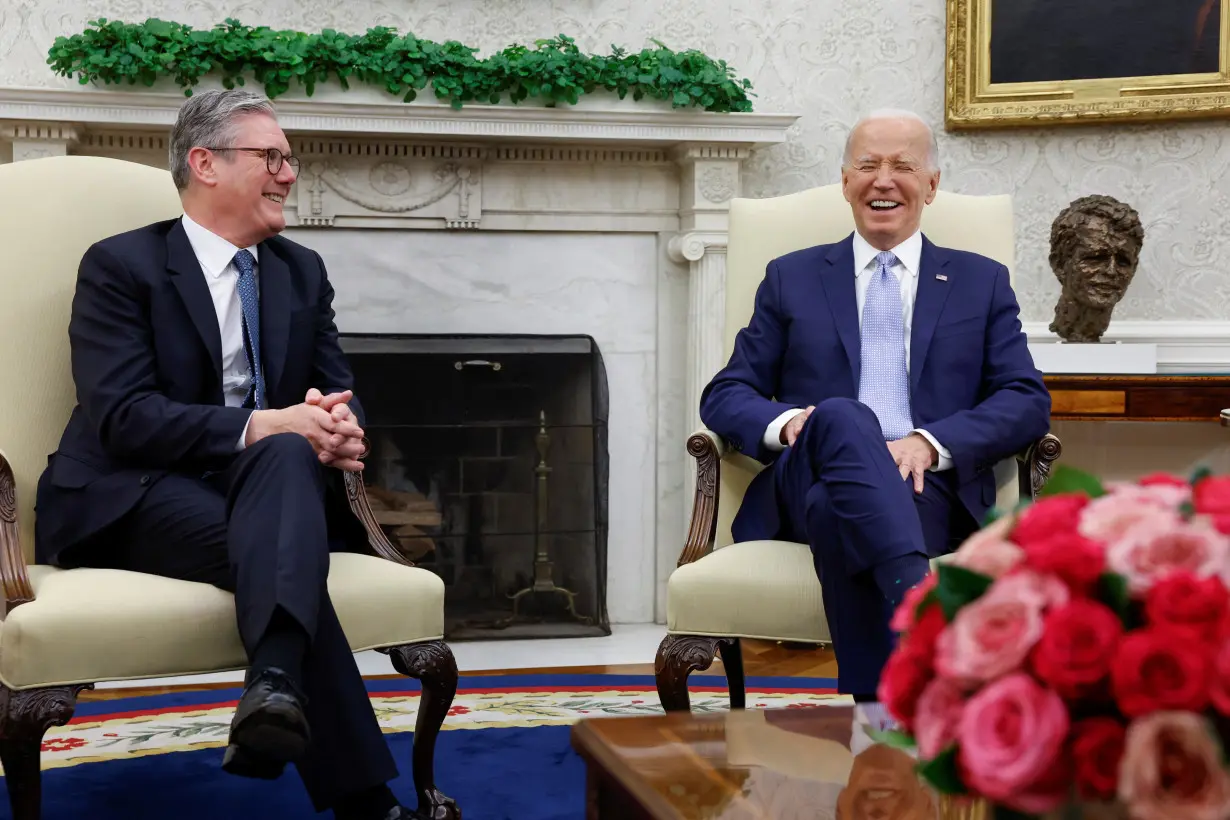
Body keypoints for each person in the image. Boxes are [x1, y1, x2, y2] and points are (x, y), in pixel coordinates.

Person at [34, 89, 414, 820]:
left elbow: (334, 389)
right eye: (271, 157)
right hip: (130, 492)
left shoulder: (300, 271)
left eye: (289, 159)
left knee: (287, 469)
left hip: (266, 488)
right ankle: (365, 800)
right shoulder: (122, 267)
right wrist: (267, 427)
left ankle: (274, 686)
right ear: (205, 163)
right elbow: (122, 416)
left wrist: (340, 428)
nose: (289, 174)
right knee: (284, 540)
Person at [698, 109, 1051, 702]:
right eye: (867, 165)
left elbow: (1025, 399)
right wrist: (789, 427)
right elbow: (726, 393)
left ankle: (875, 717)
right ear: (845, 182)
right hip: (805, 464)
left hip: (924, 488)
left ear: (931, 186)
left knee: (838, 510)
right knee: (842, 416)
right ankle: (919, 608)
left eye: (902, 166)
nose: (882, 180)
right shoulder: (792, 278)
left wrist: (929, 443)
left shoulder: (979, 282)